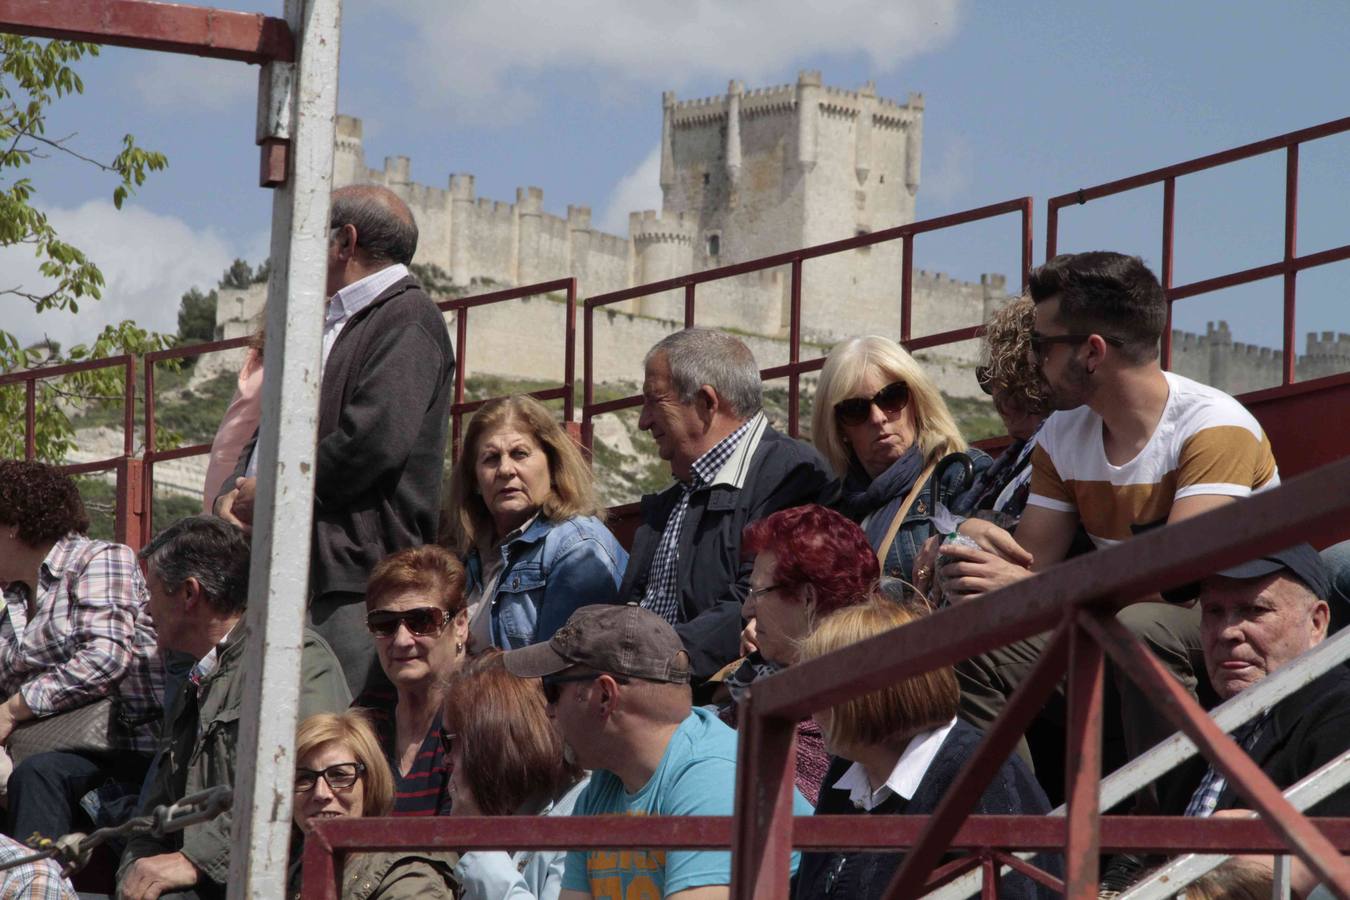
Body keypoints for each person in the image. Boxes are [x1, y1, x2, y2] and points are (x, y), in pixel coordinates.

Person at [940, 252, 1281, 771]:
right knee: (967, 643)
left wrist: (1031, 587)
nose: (1035, 361)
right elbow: (1030, 566)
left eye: (1041, 345)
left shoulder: (1214, 427)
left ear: (1092, 352)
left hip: (1228, 618)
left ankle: (1165, 818)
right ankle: (1011, 818)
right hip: (1113, 623)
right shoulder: (1062, 434)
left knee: (1143, 627)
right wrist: (973, 542)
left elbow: (1180, 582)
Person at [215, 184, 456, 697]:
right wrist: (232, 492)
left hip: (353, 581)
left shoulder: (408, 317)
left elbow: (371, 443)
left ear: (344, 241)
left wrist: (273, 490)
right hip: (289, 572)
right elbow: (273, 426)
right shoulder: (326, 324)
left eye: (308, 234)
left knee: (339, 731)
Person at [503, 603, 811, 899]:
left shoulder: (713, 779)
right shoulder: (602, 788)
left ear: (605, 696)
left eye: (553, 690)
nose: (548, 710)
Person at [118, 516, 351, 900]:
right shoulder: (197, 680)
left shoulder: (293, 660)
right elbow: (155, 816)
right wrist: (133, 875)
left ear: (189, 593)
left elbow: (309, 791)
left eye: (151, 592)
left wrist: (193, 860)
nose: (145, 609)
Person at [793, 598, 1054, 900]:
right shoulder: (847, 774)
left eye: (819, 688)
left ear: (870, 696)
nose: (810, 705)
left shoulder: (977, 775)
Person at [618, 327, 833, 685]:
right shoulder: (683, 489)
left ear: (707, 403)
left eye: (655, 401)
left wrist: (650, 661)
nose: (644, 421)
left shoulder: (790, 475)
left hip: (702, 693)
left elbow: (756, 601)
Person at [0, 460, 163, 842]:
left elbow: (104, 658)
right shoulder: (14, 596)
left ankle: (35, 874)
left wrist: (12, 709)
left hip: (116, 745)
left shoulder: (99, 559)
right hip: (39, 744)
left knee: (39, 775)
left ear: (12, 525)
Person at [1170, 545, 1345, 898]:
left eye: (1255, 610)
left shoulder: (1340, 714)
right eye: (1214, 611)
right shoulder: (1201, 732)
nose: (1227, 632)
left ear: (1317, 623)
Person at [442, 395, 626, 651]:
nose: (505, 469)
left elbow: (564, 665)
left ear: (553, 465)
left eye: (519, 454)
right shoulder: (466, 553)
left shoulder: (578, 547)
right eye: (491, 458)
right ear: (474, 480)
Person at [728, 504, 881, 804]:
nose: (747, 609)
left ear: (808, 599)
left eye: (757, 593)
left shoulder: (841, 724)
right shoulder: (760, 676)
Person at [812, 335, 994, 585]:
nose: (878, 418)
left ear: (917, 401)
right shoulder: (832, 509)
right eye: (855, 409)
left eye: (891, 397)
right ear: (839, 428)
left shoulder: (960, 476)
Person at [441, 651, 588, 900]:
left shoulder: (581, 811)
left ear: (489, 742)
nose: (444, 759)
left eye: (448, 741)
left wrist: (480, 838)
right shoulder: (513, 813)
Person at [289, 711, 457, 899]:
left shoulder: (408, 878)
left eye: (339, 775)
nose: (321, 793)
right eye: (303, 778)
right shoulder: (283, 874)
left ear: (370, 784)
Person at [354, 546, 468, 816]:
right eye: (384, 623)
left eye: (422, 620)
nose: (402, 640)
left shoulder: (478, 718)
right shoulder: (368, 719)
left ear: (460, 624)